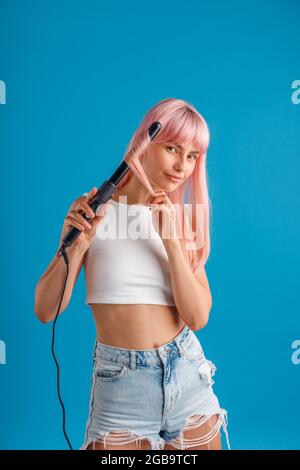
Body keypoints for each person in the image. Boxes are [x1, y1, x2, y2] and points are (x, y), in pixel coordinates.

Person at [34, 97, 230, 451]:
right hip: (121, 384)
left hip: (187, 375)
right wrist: (76, 245)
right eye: (172, 148)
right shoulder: (95, 212)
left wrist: (171, 240)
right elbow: (46, 309)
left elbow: (198, 317)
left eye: (192, 156)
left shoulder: (183, 219)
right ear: (145, 141)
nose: (181, 165)